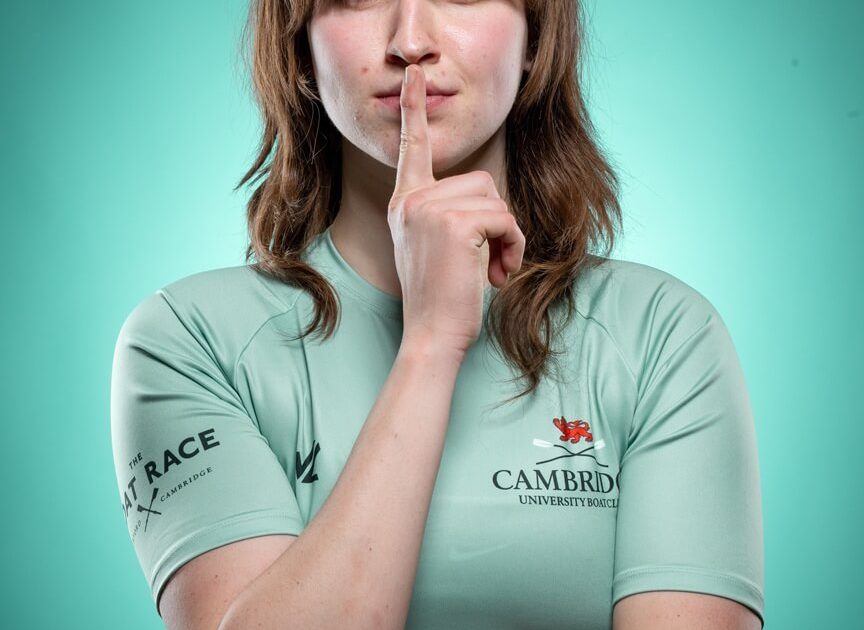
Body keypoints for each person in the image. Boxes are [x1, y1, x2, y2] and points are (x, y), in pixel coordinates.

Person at [109, 1, 765, 628]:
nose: (410, 41)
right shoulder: (188, 341)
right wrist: (430, 343)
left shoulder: (662, 337)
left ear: (535, 37)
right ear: (299, 45)